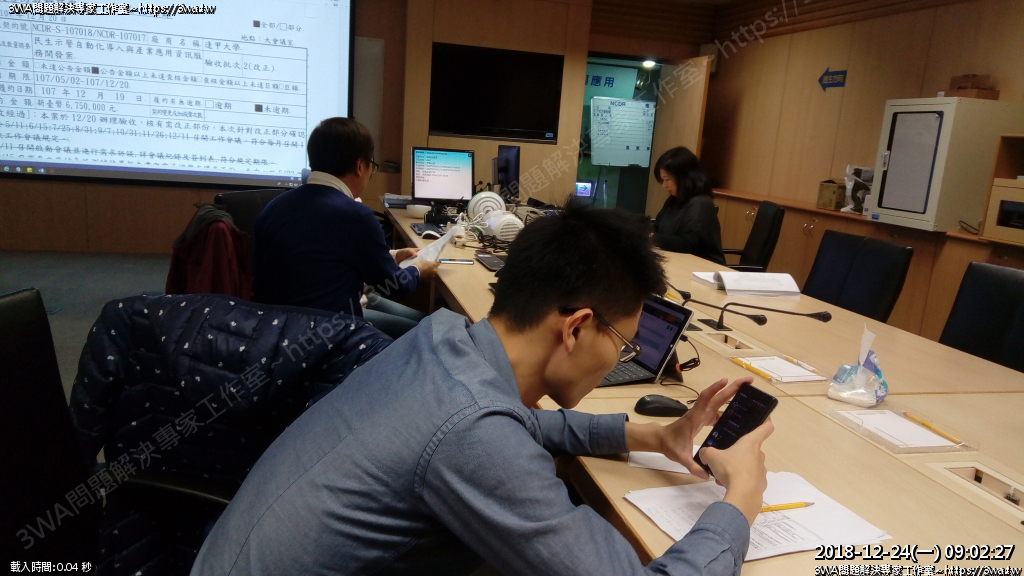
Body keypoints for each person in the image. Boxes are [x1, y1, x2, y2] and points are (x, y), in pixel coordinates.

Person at [192, 198, 773, 576]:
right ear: (575, 328)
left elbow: (516, 423)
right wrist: (742, 498)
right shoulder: (473, 432)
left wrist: (649, 435)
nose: (622, 358)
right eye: (624, 343)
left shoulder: (444, 340)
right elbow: (483, 434)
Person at [252, 117, 439, 338]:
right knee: (430, 332)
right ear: (360, 166)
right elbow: (397, 286)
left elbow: (326, 256)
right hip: (328, 333)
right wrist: (418, 270)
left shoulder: (272, 208)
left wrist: (395, 256)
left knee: (422, 321)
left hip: (275, 331)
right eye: (372, 167)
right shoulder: (356, 215)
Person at [652, 146, 726, 265]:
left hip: (703, 268)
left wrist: (650, 237)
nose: (664, 185)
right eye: (663, 180)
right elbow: (657, 227)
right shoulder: (674, 199)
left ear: (684, 177)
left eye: (667, 179)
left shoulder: (701, 203)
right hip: (679, 262)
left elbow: (688, 244)